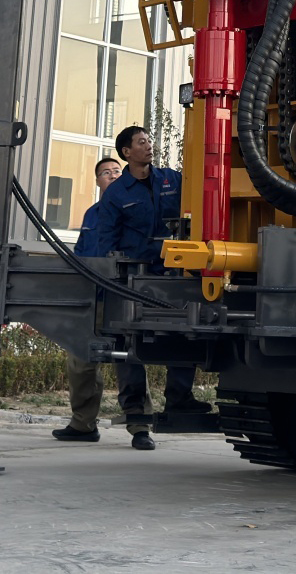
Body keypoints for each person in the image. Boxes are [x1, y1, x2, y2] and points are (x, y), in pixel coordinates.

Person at [89, 125, 207, 450]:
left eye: (149, 140)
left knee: (185, 333)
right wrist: (110, 279)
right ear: (127, 152)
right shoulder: (117, 194)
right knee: (131, 347)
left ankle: (179, 398)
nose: (149, 145)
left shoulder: (170, 180)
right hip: (134, 279)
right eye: (141, 142)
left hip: (175, 274)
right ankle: (138, 420)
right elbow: (106, 240)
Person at [52, 155, 120, 444]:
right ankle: (83, 424)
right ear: (97, 181)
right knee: (80, 362)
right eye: (106, 173)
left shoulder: (135, 210)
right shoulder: (92, 215)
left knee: (130, 363)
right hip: (91, 298)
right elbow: (80, 253)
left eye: (117, 171)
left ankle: (140, 426)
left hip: (123, 298)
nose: (112, 176)